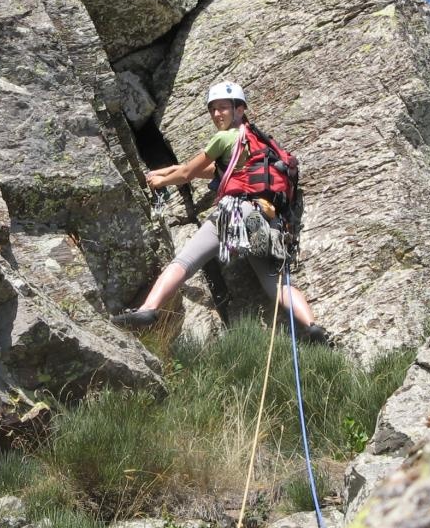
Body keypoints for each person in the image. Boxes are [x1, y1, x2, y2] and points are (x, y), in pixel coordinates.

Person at [112, 82, 327, 340]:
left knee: (184, 261)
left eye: (223, 108)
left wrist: (161, 182)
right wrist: (162, 172)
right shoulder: (257, 142)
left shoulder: (225, 137)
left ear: (240, 109)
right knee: (276, 284)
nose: (216, 114)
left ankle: (148, 309)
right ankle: (312, 326)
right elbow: (211, 172)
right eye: (212, 110)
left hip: (235, 213)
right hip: (264, 219)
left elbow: (186, 173)